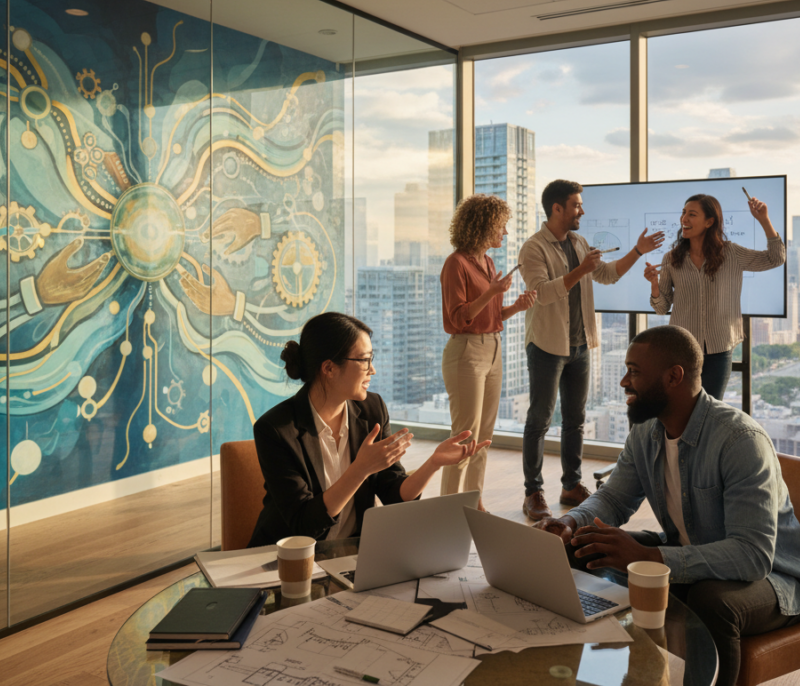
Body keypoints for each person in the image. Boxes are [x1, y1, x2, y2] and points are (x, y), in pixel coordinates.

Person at [536, 325, 800, 686]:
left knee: (711, 600)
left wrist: (649, 557)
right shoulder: (646, 432)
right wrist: (571, 523)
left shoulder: (740, 441)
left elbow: (752, 556)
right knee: (583, 546)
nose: (625, 381)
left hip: (776, 579)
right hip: (691, 553)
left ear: (674, 376)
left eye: (635, 372)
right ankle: (596, 672)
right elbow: (613, 498)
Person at [247, 312, 490, 547]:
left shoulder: (372, 409)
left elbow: (394, 494)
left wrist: (433, 463)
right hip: (287, 561)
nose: (372, 370)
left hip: (351, 555)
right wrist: (360, 469)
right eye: (364, 360)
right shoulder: (276, 430)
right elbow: (304, 524)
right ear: (329, 369)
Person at [518, 179, 665, 521]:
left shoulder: (579, 242)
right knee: (539, 419)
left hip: (581, 343)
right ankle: (533, 491)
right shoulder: (533, 248)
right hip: (547, 346)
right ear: (557, 208)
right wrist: (579, 270)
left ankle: (571, 485)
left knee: (576, 420)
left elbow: (609, 275)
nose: (582, 210)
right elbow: (542, 293)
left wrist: (638, 251)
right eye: (576, 205)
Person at [440, 194, 536, 510]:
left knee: (483, 437)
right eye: (501, 226)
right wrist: (493, 292)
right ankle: (450, 506)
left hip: (492, 348)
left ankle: (473, 499)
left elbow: (490, 317)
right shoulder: (456, 264)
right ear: (484, 226)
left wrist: (515, 307)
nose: (505, 233)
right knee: (465, 436)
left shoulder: (488, 262)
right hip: (466, 351)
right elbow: (459, 317)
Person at [644, 193, 785, 400]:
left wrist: (764, 220)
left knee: (709, 410)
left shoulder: (732, 254)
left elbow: (776, 258)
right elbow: (661, 307)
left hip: (719, 349)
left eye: (692, 214)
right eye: (683, 213)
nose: (684, 219)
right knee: (681, 408)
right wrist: (654, 284)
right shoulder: (672, 258)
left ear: (710, 221)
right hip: (682, 350)